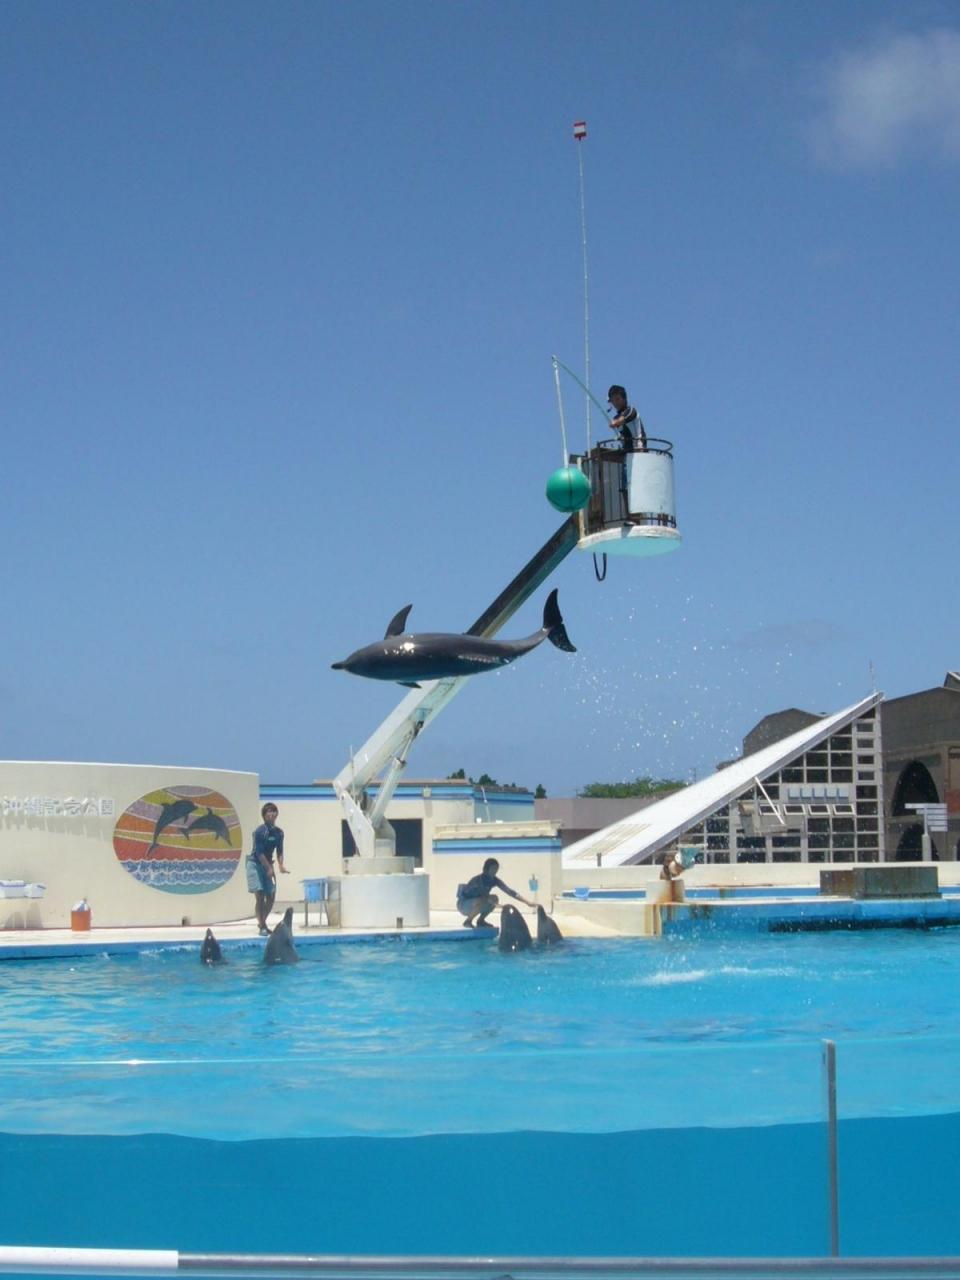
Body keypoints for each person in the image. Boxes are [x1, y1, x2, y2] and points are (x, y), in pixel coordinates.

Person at [246, 802, 289, 936]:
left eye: (273, 811)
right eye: (268, 811)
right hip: (255, 864)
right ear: (264, 816)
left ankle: (262, 922)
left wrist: (280, 865)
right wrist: (269, 869)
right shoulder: (260, 832)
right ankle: (263, 926)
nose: (271, 813)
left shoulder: (279, 833)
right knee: (260, 895)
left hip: (268, 864)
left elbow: (280, 851)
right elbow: (259, 853)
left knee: (271, 895)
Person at [457, 857, 536, 928]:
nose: (495, 871)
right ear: (486, 869)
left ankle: (480, 921)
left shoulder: (494, 880)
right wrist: (499, 905)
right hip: (463, 905)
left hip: (475, 904)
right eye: (493, 869)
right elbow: (484, 897)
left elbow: (509, 891)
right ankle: (468, 921)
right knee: (483, 900)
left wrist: (527, 902)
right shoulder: (478, 880)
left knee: (494, 898)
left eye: (496, 869)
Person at [607, 385, 647, 451]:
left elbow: (622, 419)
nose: (615, 403)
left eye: (617, 399)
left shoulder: (631, 410)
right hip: (627, 452)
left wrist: (615, 423)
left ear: (624, 398)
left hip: (639, 450)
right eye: (612, 400)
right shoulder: (616, 418)